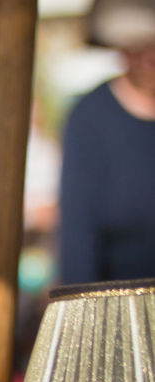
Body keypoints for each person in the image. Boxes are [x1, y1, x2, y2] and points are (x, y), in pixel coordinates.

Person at [60, 6, 155, 285]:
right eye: (137, 48)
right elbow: (77, 234)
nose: (149, 58)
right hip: (120, 302)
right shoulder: (90, 117)